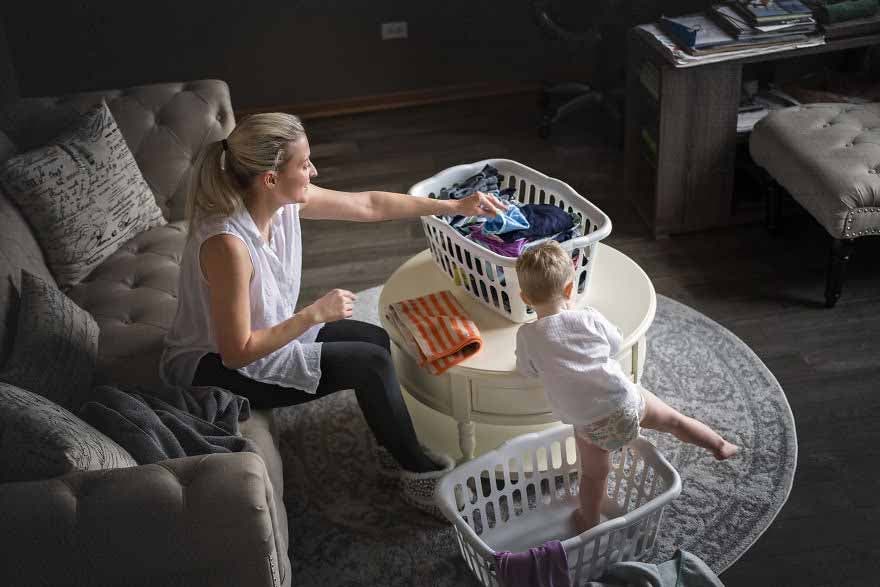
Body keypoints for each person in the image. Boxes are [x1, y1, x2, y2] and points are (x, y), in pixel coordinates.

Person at [159, 112, 506, 510]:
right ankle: (422, 476)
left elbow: (369, 205)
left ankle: (393, 445)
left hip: (255, 340)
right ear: (270, 178)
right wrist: (313, 314)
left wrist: (453, 205)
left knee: (375, 337)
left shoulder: (281, 201)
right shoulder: (228, 246)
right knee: (369, 363)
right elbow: (236, 351)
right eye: (304, 164)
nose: (313, 170)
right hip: (215, 368)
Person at [513, 242, 738, 532]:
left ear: (524, 297)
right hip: (625, 402)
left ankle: (589, 520)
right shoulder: (589, 317)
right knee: (674, 420)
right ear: (570, 290)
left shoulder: (528, 335)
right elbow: (616, 342)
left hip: (590, 425)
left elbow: (526, 369)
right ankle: (720, 445)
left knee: (594, 476)